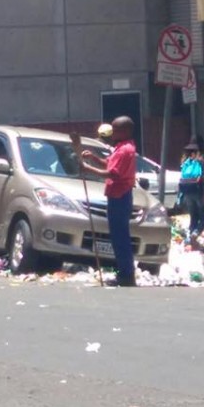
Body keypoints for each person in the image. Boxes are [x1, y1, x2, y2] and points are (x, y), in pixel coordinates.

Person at [75, 116, 138, 287]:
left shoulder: (125, 150)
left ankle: (126, 275)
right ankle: (124, 273)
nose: (113, 133)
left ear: (126, 131)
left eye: (116, 130)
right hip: (117, 195)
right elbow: (109, 164)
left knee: (120, 238)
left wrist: (88, 169)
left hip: (120, 196)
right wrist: (94, 158)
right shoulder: (121, 148)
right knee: (118, 237)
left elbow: (114, 173)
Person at [179, 142, 204, 245]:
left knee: (193, 217)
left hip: (187, 193)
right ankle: (194, 234)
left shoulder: (185, 163)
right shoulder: (200, 163)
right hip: (198, 193)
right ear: (195, 153)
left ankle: (189, 240)